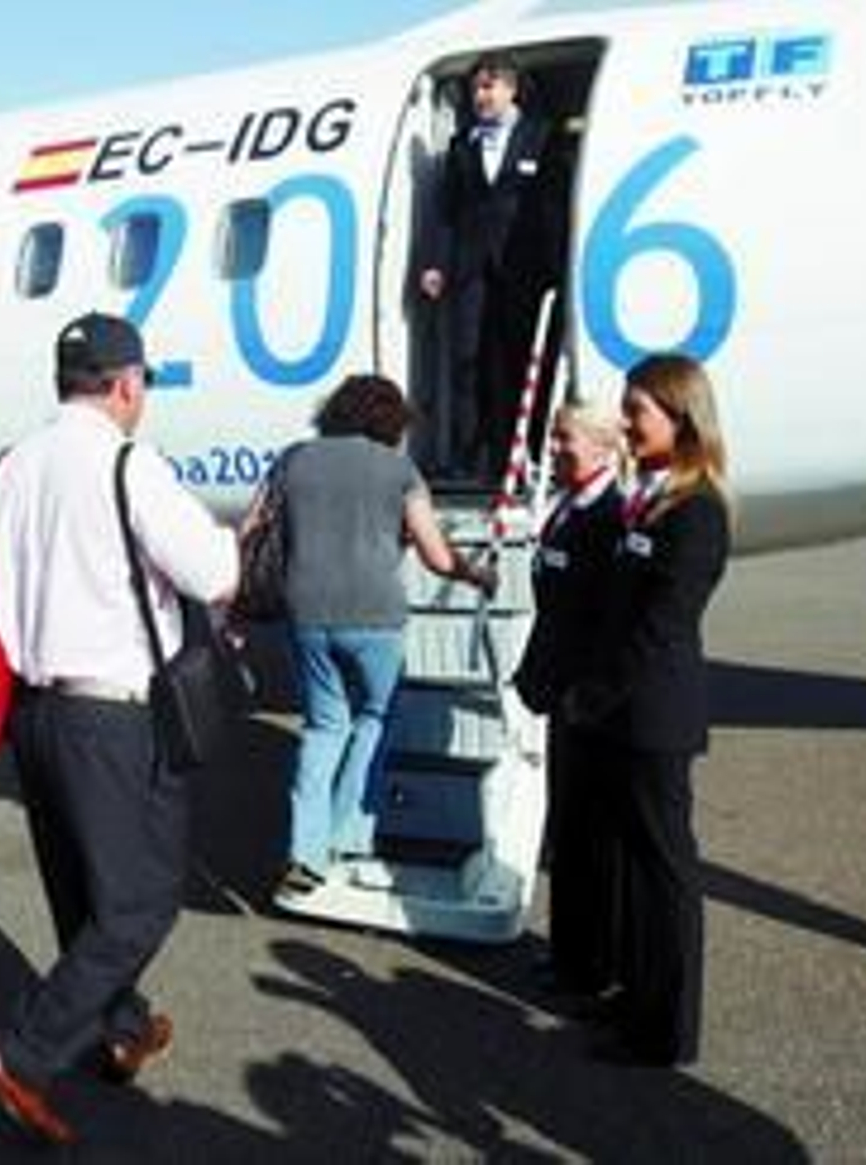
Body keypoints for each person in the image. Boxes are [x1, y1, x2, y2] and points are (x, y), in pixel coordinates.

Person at [0, 312, 238, 1144]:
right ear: (126, 385)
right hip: (111, 714)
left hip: (31, 709)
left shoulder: (7, 466)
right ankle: (23, 1052)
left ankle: (120, 1026)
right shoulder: (128, 464)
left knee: (80, 887)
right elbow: (214, 571)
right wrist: (231, 535)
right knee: (141, 903)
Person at [252, 373, 495, 903]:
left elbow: (255, 529)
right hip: (376, 618)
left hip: (307, 614)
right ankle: (348, 835)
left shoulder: (293, 459)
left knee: (322, 727)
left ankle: (304, 854)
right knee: (374, 718)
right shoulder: (399, 469)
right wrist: (478, 574)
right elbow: (435, 554)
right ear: (392, 422)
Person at [565, 353, 732, 1066]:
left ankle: (666, 1030)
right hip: (624, 716)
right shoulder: (653, 494)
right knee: (633, 865)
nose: (626, 424)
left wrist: (592, 697)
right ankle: (633, 998)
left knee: (665, 873)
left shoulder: (696, 511)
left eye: (637, 411)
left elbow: (661, 626)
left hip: (653, 716)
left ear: (680, 416)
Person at [512, 402, 626, 999]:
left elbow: (606, 622)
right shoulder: (571, 505)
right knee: (569, 831)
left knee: (588, 835)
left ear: (606, 447)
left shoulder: (608, 517)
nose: (554, 448)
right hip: (562, 693)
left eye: (566, 439)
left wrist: (583, 692)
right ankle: (568, 952)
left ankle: (590, 963)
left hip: (586, 702)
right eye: (554, 438)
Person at [419, 51, 566, 481]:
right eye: (475, 89)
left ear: (510, 88)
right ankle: (480, 457)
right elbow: (446, 212)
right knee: (470, 365)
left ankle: (533, 454)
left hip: (526, 271)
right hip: (471, 272)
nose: (480, 97)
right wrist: (434, 263)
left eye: (487, 87)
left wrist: (557, 265)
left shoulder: (542, 137)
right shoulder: (462, 145)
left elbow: (553, 207)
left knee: (525, 361)